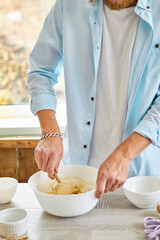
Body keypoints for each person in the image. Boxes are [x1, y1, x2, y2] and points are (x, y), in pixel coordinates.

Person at [27, 0, 160, 199]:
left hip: (141, 182)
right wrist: (50, 133)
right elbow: (41, 71)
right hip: (78, 171)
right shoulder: (68, 5)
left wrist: (124, 154)